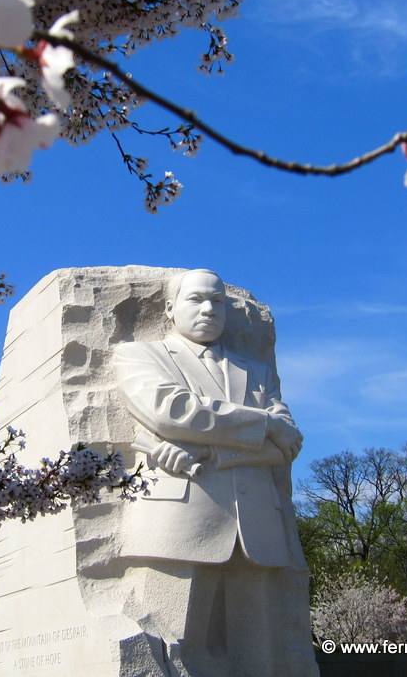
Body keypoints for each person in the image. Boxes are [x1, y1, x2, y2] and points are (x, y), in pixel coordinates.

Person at [112, 269, 319, 677]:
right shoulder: (140, 355)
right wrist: (261, 426)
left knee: (262, 658)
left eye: (218, 301)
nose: (209, 309)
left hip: (258, 527)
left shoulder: (256, 372)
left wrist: (211, 448)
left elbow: (288, 443)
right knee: (171, 650)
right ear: (170, 309)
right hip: (180, 523)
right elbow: (173, 411)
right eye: (196, 299)